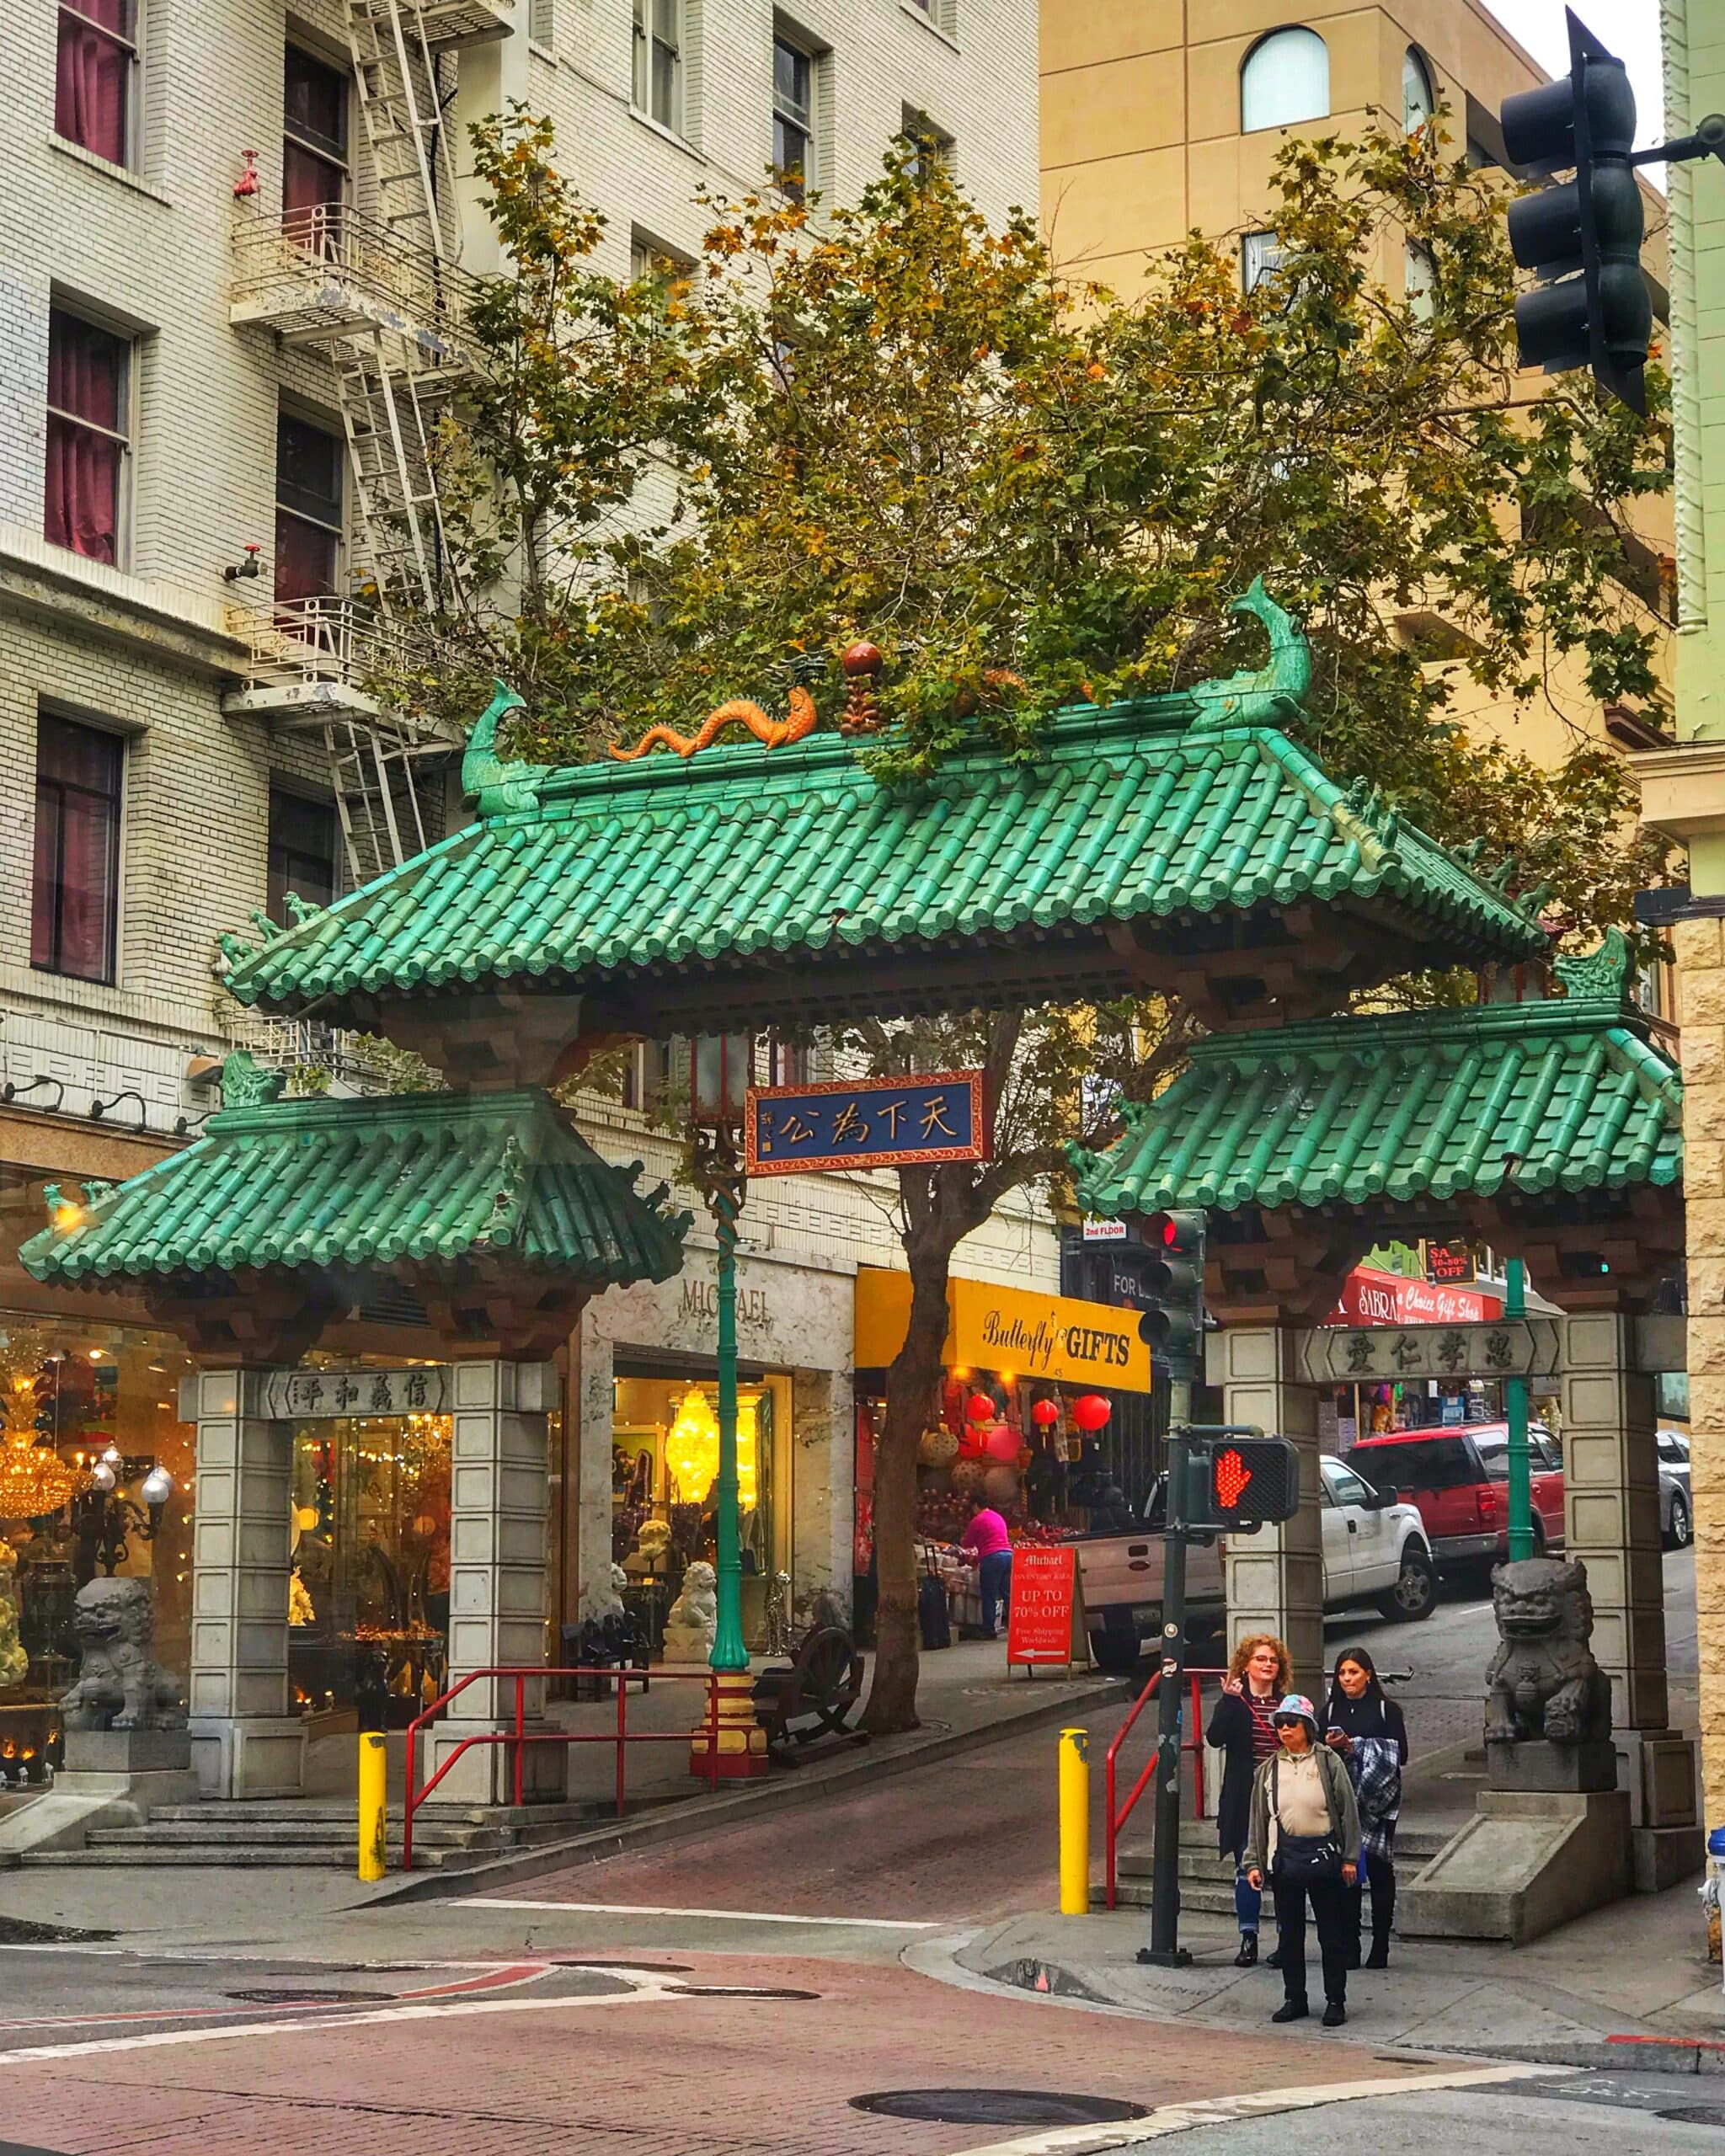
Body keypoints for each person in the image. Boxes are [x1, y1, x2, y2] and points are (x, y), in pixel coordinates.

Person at [1245, 1694, 1361, 2027]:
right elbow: (1259, 1818)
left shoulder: (1328, 1762)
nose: (1284, 1730)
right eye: (1279, 1724)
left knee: (1331, 1934)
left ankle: (1335, 2000)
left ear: (1307, 1727)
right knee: (1289, 1935)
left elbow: (1347, 1811)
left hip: (1324, 1857)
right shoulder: (1269, 1769)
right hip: (1286, 1861)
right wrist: (1253, 1862)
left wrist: (1350, 1857)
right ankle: (1294, 1998)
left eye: (1291, 1723)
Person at [1205, 1633, 1291, 1967]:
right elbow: (1214, 1739)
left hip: (1283, 1795)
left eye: (1272, 1660)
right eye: (1260, 1660)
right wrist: (1228, 1701)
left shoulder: (1287, 1704)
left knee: (1285, 1871)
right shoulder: (1236, 1702)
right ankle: (1249, 1939)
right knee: (1247, 1867)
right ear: (1245, 1666)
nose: (1268, 1665)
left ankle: (1287, 1940)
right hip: (1245, 1798)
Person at [1325, 1646, 1409, 1969]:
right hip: (1343, 1803)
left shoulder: (1387, 1710)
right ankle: (1351, 1942)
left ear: (1368, 1675)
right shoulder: (1330, 1711)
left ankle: (1381, 1943)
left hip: (1377, 1803)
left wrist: (1355, 1745)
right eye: (1343, 1673)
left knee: (1379, 1871)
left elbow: (1400, 1755)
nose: (1348, 1679)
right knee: (1347, 1872)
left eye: (1354, 1672)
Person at [960, 1496, 1012, 1636]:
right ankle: (1016, 1626)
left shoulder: (978, 1520)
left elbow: (967, 1543)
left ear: (976, 1505)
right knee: (1007, 1594)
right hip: (1008, 1556)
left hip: (992, 1558)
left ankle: (989, 1629)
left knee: (989, 1594)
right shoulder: (998, 1517)